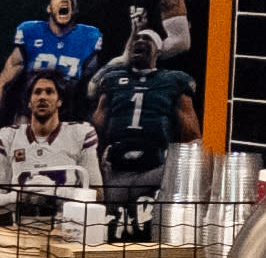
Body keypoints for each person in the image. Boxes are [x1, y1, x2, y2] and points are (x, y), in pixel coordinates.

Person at [86, 27, 201, 208]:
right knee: (111, 223)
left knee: (152, 223)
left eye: (147, 39)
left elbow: (192, 136)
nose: (140, 41)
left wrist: (181, 173)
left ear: (159, 49)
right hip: (117, 168)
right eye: (136, 39)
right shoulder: (113, 79)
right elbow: (96, 129)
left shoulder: (173, 80)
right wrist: (95, 164)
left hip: (155, 168)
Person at [0, 68, 101, 228]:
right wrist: (20, 196)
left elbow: (98, 195)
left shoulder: (80, 134)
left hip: (65, 229)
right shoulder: (8, 137)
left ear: (59, 100)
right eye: (37, 92)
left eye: (49, 92)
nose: (43, 97)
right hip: (23, 230)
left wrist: (56, 192)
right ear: (29, 102)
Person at [0, 0, 104, 125]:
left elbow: (92, 90)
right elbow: (2, 82)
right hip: (30, 113)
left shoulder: (88, 37)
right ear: (49, 8)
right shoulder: (31, 32)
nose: (65, 0)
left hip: (67, 116)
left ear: (76, 9)